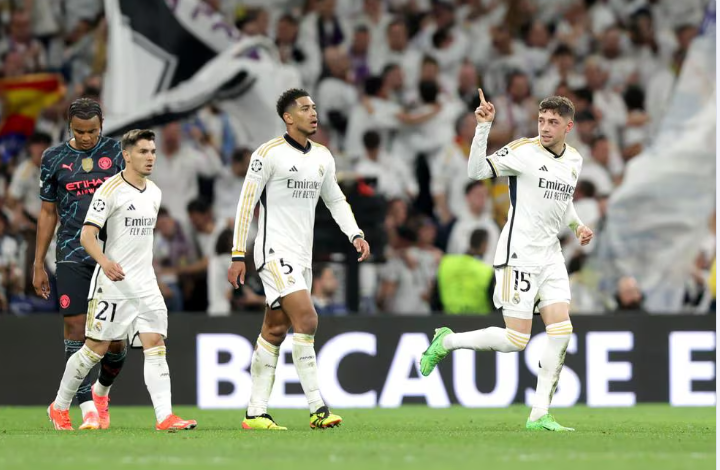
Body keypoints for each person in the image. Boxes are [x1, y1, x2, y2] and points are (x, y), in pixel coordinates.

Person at [420, 90, 593, 432]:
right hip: (519, 255)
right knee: (516, 341)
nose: (545, 127)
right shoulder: (522, 151)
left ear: (568, 126)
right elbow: (475, 171)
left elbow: (563, 201)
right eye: (542, 120)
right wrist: (482, 127)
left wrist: (577, 226)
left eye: (553, 122)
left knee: (561, 330)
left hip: (551, 256)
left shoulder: (574, 160)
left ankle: (539, 414)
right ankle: (448, 340)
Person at [227, 88, 370, 430]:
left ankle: (255, 413)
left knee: (275, 329)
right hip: (274, 251)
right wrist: (237, 254)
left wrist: (355, 233)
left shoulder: (322, 156)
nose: (313, 113)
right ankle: (318, 408)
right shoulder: (267, 154)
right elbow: (246, 204)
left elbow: (335, 200)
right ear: (288, 117)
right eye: (305, 108)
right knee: (307, 320)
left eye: (314, 107)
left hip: (302, 257)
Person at [47, 129, 196, 431]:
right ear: (126, 155)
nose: (150, 157)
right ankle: (59, 406)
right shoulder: (109, 189)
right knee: (94, 350)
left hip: (145, 283)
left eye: (153, 151)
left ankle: (165, 416)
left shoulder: (154, 192)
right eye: (143, 152)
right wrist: (105, 262)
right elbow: (87, 235)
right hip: (113, 283)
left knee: (155, 343)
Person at [34, 98, 128, 430]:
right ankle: (86, 407)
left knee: (116, 342)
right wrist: (37, 263)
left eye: (92, 131)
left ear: (102, 124)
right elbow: (47, 213)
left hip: (113, 255)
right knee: (75, 328)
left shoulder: (119, 153)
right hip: (72, 252)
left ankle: (101, 392)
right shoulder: (53, 158)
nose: (86, 137)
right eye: (79, 131)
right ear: (68, 126)